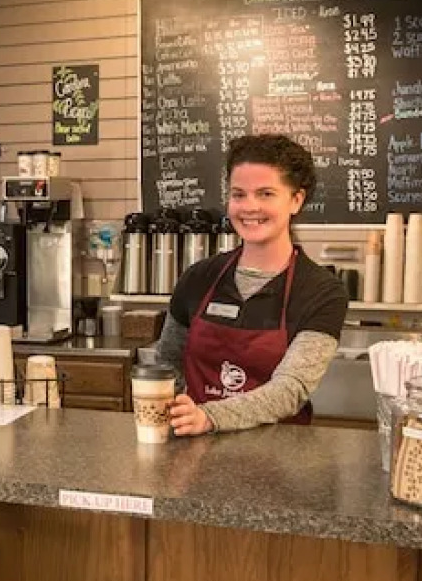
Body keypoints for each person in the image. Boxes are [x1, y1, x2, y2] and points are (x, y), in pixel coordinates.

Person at [150, 134, 350, 436]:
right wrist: (182, 412)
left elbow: (290, 389)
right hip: (195, 453)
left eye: (266, 194)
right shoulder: (198, 278)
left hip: (279, 460)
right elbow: (167, 361)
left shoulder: (321, 292)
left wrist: (209, 417)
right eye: (238, 194)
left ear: (296, 199)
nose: (249, 206)